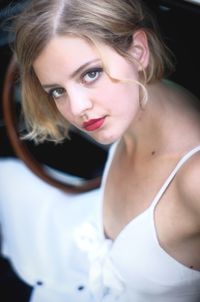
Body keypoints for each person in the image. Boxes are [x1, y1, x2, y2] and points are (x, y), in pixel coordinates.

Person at [1, 0, 200, 301]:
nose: (77, 108)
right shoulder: (132, 105)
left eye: (91, 74)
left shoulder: (194, 180)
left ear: (138, 51)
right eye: (57, 90)